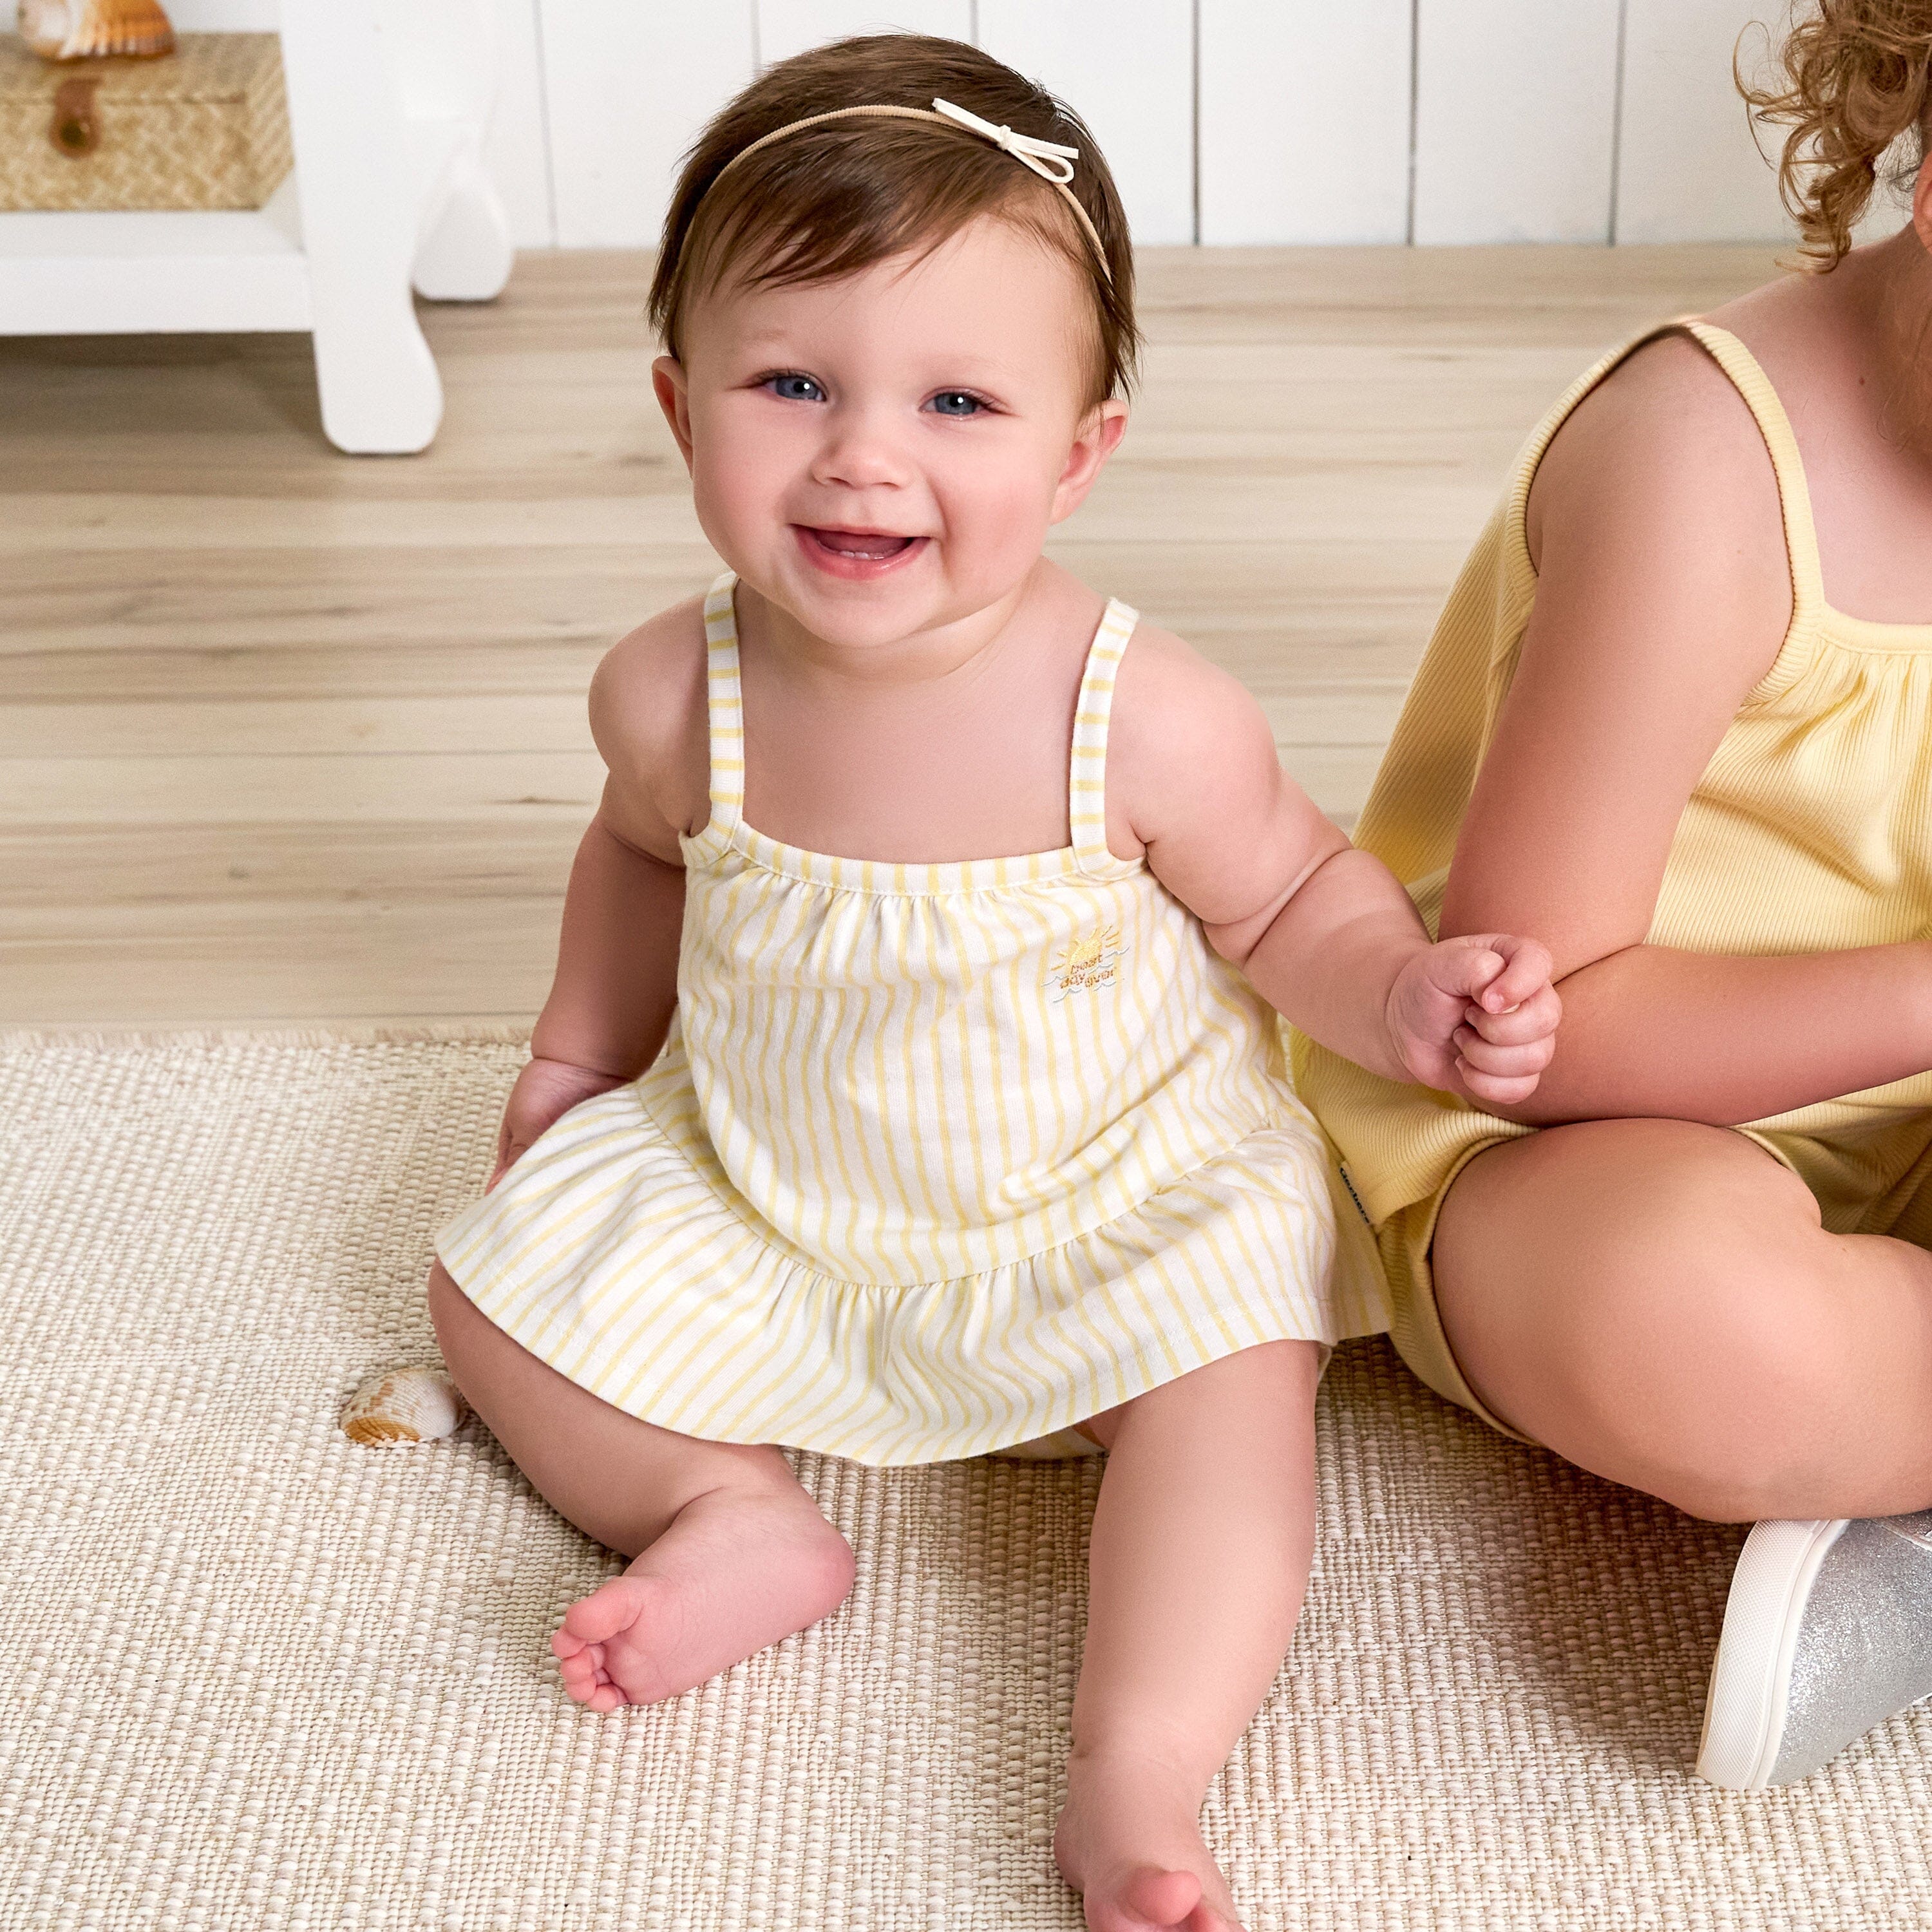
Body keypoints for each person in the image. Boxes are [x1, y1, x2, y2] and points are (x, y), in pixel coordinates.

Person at [423, 34, 1559, 1932]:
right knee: (496, 1284)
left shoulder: (1142, 719)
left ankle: (1140, 1759)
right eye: (790, 382)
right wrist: (572, 1059)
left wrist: (1410, 997)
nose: (864, 453)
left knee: (1234, 1388)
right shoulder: (667, 695)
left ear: (1079, 450)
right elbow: (636, 859)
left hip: (1110, 1199)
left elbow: (1293, 905)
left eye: (958, 400)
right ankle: (730, 1512)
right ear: (678, 404)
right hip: (777, 1191)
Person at [1296, 0, 1932, 1791]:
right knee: (1682, 1325)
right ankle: (1863, 1465)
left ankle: (1890, 1491)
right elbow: (1540, 1034)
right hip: (1607, 1127)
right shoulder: (1708, 465)